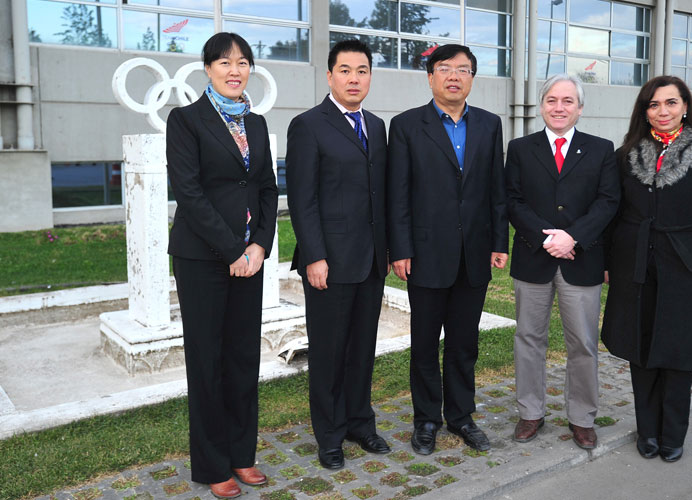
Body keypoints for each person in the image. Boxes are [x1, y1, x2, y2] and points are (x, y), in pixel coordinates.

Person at [601, 75, 692, 462]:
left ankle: (673, 434)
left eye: (671, 103)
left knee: (678, 354)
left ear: (685, 106)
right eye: (654, 104)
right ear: (644, 111)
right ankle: (647, 431)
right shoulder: (626, 154)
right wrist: (612, 261)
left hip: (686, 267)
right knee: (640, 351)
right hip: (636, 267)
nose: (662, 111)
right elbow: (613, 214)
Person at [166, 33, 278, 498]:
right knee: (208, 362)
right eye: (225, 62)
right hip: (203, 259)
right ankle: (213, 464)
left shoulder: (254, 123)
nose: (235, 70)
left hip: (249, 260)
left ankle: (242, 454)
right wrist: (232, 249)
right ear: (207, 68)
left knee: (242, 359)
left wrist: (259, 247)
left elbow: (268, 190)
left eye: (243, 62)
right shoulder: (186, 120)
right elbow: (188, 193)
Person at [387, 44, 508, 455]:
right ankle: (426, 420)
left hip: (474, 254)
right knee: (424, 344)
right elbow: (397, 194)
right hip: (425, 254)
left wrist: (499, 242)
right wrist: (399, 248)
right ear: (430, 77)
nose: (454, 76)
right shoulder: (405, 126)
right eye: (445, 69)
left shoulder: (490, 125)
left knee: (463, 343)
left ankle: (461, 416)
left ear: (473, 78)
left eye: (463, 70)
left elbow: (496, 189)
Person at [286, 39, 390, 470]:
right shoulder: (308, 125)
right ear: (329, 76)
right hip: (328, 261)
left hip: (370, 260)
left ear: (369, 76)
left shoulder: (377, 126)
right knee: (329, 351)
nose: (354, 78)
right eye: (345, 70)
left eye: (362, 70)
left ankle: (358, 422)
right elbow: (302, 197)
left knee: (363, 348)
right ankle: (329, 435)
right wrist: (314, 255)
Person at [505, 74, 620, 450]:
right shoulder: (520, 149)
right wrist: (548, 238)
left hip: (581, 259)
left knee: (583, 343)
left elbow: (608, 202)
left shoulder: (602, 149)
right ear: (542, 106)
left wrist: (573, 237)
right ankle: (531, 412)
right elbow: (513, 201)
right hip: (533, 260)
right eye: (552, 100)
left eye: (567, 101)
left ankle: (582, 417)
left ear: (580, 108)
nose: (559, 107)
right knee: (528, 339)